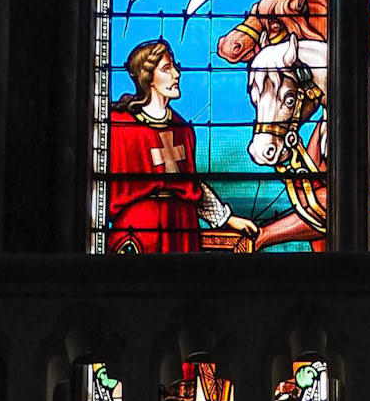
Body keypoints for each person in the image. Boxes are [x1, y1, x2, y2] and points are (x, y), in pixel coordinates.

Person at [105, 39, 258, 254]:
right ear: (147, 77)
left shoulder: (182, 129)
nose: (177, 74)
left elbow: (190, 185)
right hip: (139, 231)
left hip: (181, 226)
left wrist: (227, 218)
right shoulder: (119, 125)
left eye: (174, 66)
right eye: (167, 69)